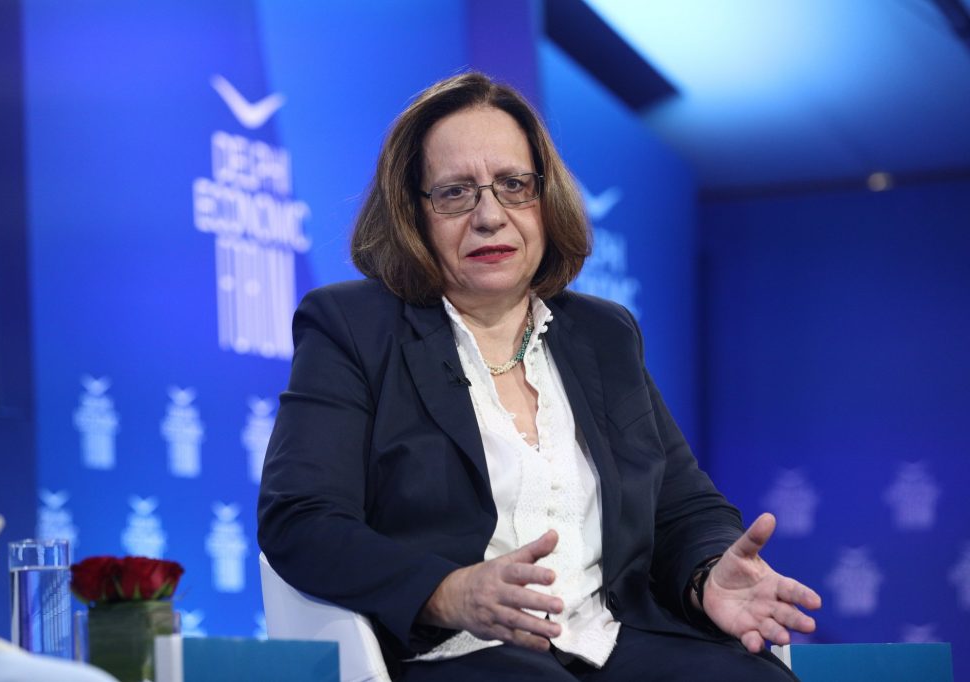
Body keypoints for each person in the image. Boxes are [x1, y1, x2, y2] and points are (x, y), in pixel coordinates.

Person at [257, 72, 820, 681]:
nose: (490, 216)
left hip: (610, 641)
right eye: (455, 193)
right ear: (412, 214)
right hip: (458, 653)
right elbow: (301, 518)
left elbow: (682, 507)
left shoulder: (604, 334)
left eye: (513, 186)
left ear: (545, 199)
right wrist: (447, 590)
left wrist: (706, 574)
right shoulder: (353, 327)